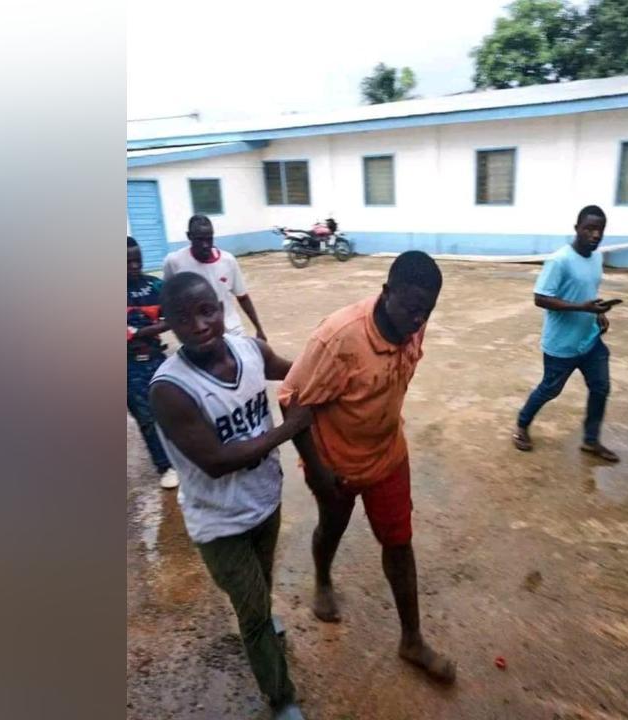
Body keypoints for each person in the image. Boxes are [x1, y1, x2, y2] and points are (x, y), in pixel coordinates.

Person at [278, 250, 457, 685]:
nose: (418, 320)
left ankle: (411, 639)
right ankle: (323, 579)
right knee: (332, 527)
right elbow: (292, 401)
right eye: (411, 308)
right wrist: (319, 472)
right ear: (386, 292)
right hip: (335, 464)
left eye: (427, 310)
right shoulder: (337, 338)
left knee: (399, 543)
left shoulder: (414, 319)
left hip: (387, 453)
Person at [148, 272, 311, 720]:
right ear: (169, 324)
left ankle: (262, 618)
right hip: (219, 523)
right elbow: (217, 461)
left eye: (207, 311)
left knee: (262, 581)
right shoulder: (170, 390)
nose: (200, 325)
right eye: (184, 318)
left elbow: (295, 372)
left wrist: (334, 360)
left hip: (265, 500)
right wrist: (290, 429)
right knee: (253, 614)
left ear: (222, 309)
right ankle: (282, 699)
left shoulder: (250, 351)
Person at [512, 205, 623, 462]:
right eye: (589, 229)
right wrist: (582, 307)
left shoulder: (596, 258)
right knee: (550, 389)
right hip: (562, 345)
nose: (595, 235)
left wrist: (597, 313)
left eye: (600, 230)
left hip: (590, 340)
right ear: (577, 229)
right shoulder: (559, 260)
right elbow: (540, 298)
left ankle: (591, 441)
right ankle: (522, 424)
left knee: (601, 387)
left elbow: (588, 291)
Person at [162, 214, 268, 341]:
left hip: (232, 330)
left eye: (209, 239)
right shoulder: (174, 262)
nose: (205, 245)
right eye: (200, 240)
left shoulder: (228, 261)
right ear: (189, 236)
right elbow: (167, 298)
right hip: (199, 331)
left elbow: (242, 297)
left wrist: (258, 329)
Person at [127, 236, 178, 489]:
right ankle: (164, 466)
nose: (134, 266)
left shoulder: (155, 286)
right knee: (146, 417)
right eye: (128, 262)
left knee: (171, 410)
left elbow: (173, 316)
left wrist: (137, 333)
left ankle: (180, 457)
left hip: (156, 358)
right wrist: (148, 329)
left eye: (138, 260)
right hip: (127, 366)